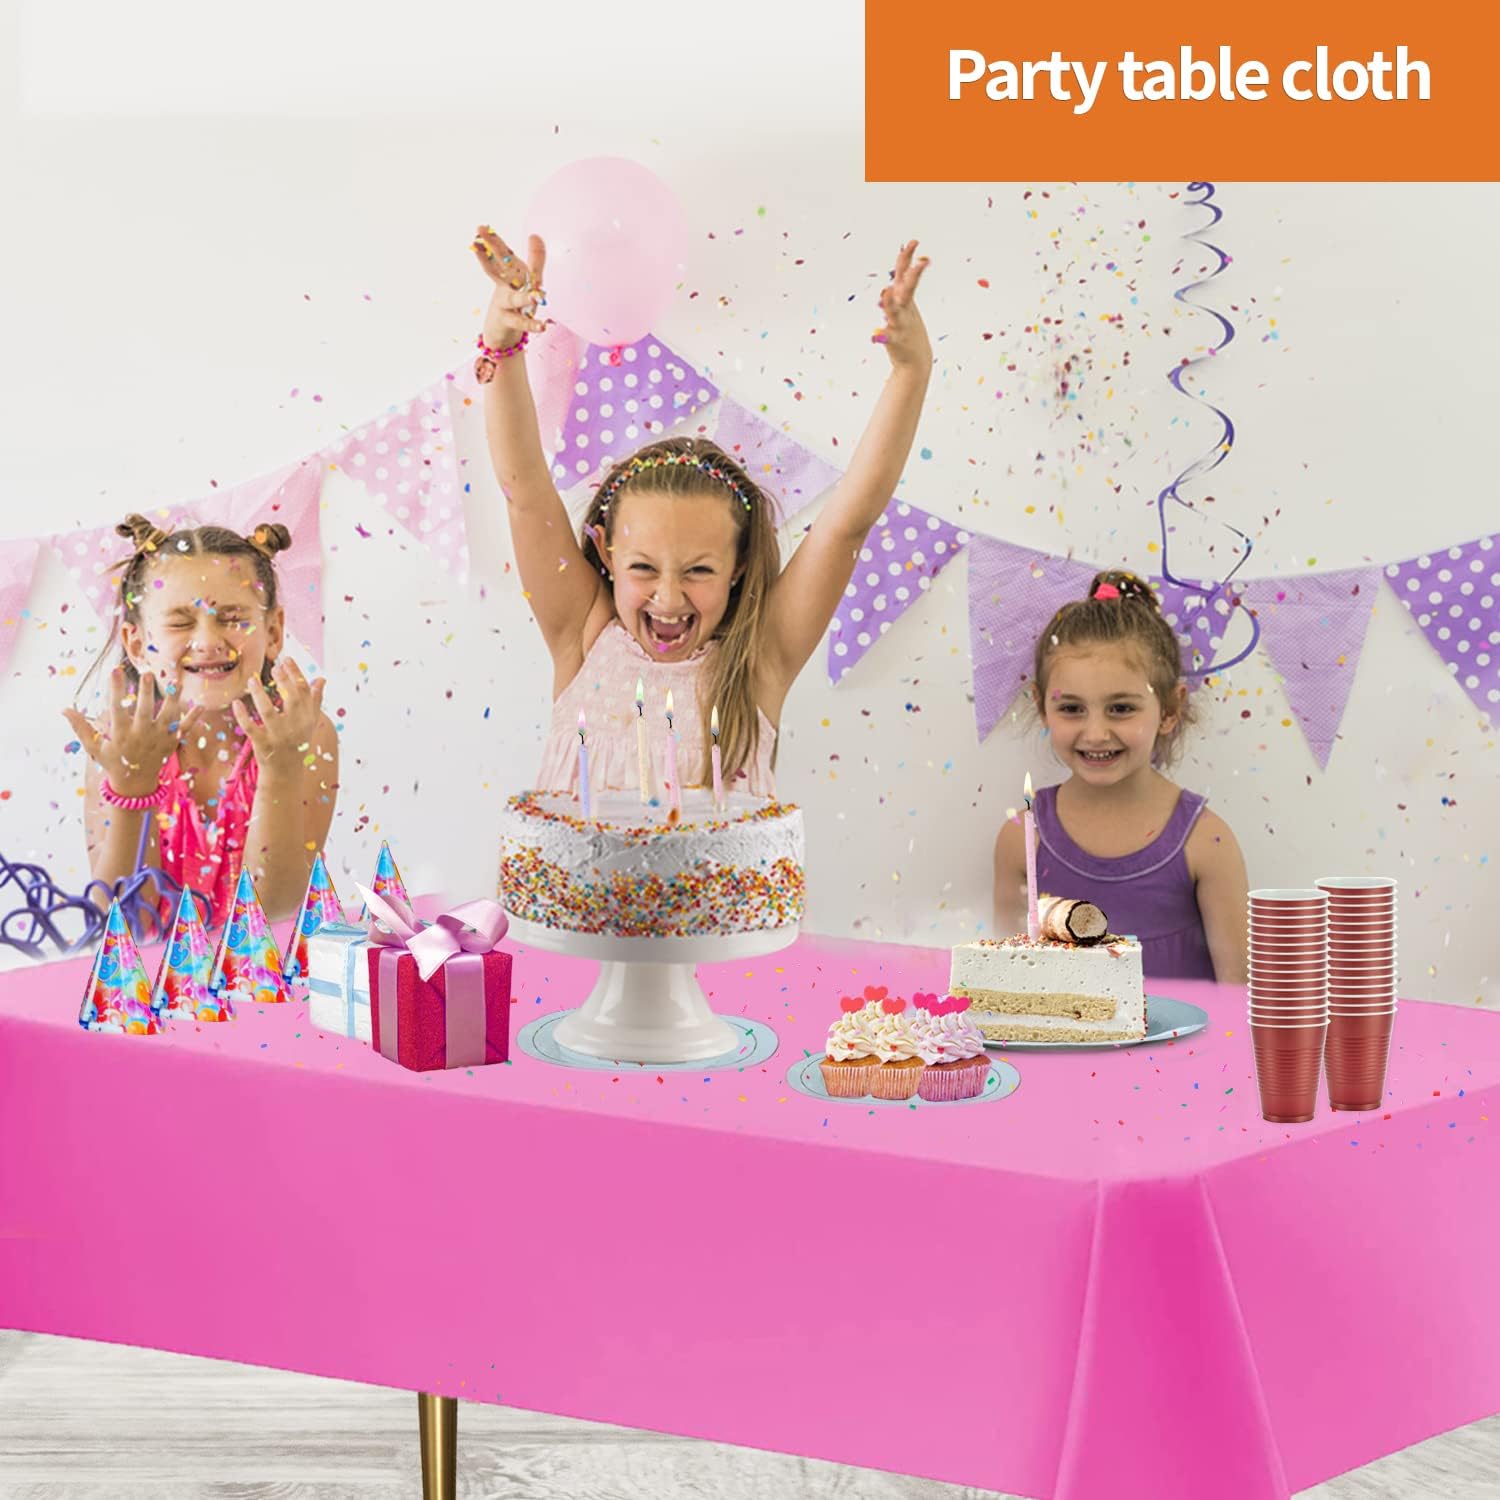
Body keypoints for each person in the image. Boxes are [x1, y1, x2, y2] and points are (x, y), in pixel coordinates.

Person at [469, 225, 932, 796]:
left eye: (699, 570)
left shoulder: (758, 664)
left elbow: (845, 527)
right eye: (643, 567)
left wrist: (910, 373)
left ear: (738, 566)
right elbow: (524, 492)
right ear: (608, 555)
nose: (668, 598)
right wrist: (502, 343)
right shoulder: (582, 634)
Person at [64, 515, 339, 925]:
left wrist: (280, 771)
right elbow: (123, 928)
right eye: (180, 623)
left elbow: (278, 913)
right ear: (137, 644)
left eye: (232, 618)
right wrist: (132, 785)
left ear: (273, 632)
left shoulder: (305, 730)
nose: (209, 642)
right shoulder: (117, 741)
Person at [993, 570, 1248, 981]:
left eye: (1122, 708)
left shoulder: (1207, 842)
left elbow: (1240, 997)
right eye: (1071, 708)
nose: (1096, 733)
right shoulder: (1021, 839)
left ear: (1169, 710)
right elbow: (1004, 982)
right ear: (1042, 708)